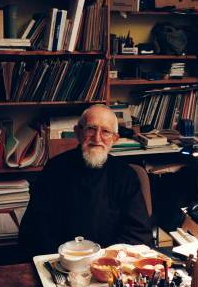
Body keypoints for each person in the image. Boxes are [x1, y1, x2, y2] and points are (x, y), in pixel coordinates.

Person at [19, 104, 152, 256]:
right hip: (62, 263)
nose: (97, 138)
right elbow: (37, 228)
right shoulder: (54, 169)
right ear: (78, 132)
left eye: (106, 132)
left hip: (109, 265)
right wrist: (64, 260)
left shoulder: (125, 175)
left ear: (114, 139)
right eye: (91, 129)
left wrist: (104, 259)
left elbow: (138, 233)